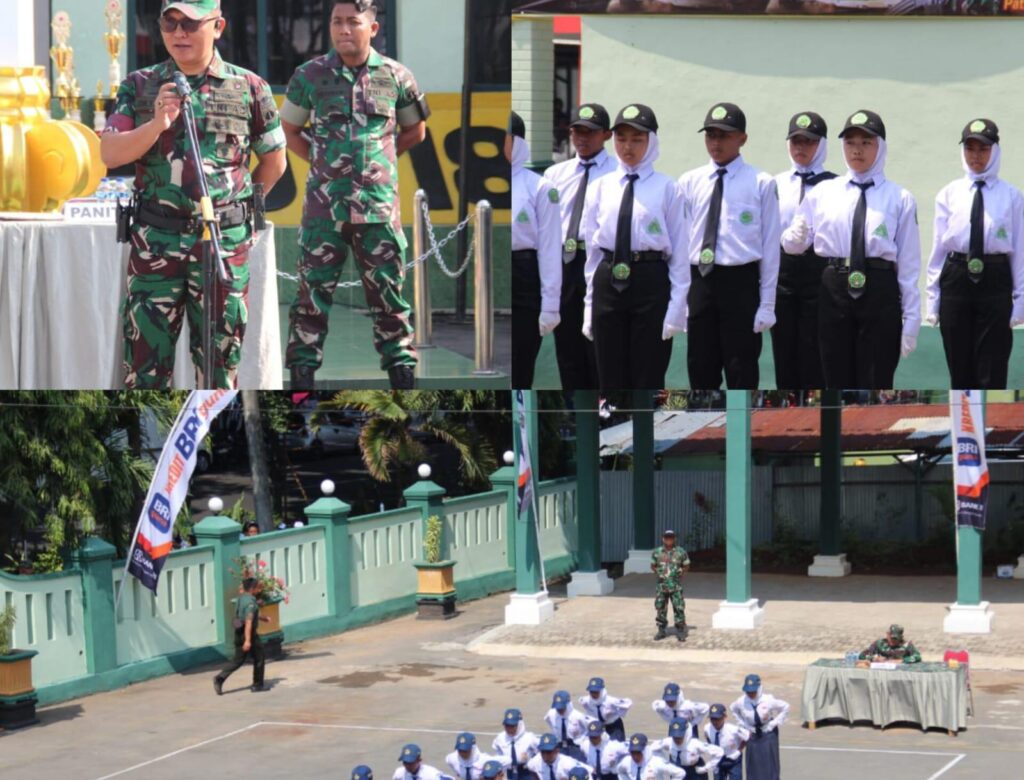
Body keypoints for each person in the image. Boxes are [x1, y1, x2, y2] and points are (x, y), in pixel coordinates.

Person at [100, 0, 286, 389]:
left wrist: (238, 212)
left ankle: (216, 446)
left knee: (220, 372)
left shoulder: (249, 87)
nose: (179, 33)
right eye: (170, 23)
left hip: (221, 245)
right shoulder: (139, 84)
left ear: (218, 26)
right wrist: (156, 123)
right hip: (156, 244)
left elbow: (274, 162)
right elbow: (110, 152)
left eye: (190, 23)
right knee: (144, 372)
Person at [281, 0, 429, 390]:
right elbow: (290, 131)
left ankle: (401, 372)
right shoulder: (309, 75)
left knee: (389, 297)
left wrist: (382, 161)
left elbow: (416, 130)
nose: (344, 29)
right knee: (311, 297)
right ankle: (301, 377)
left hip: (379, 210)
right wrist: (320, 162)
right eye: (337, 22)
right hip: (323, 211)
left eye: (352, 22)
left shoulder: (397, 76)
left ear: (373, 28)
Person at [782, 109, 920, 388]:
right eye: (850, 143)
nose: (857, 151)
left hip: (880, 287)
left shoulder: (899, 198)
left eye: (866, 143)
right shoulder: (823, 192)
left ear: (880, 147)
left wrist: (912, 318)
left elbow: (909, 263)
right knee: (834, 374)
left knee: (876, 375)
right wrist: (793, 235)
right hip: (833, 285)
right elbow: (794, 245)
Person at [581, 103, 690, 391]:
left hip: (650, 279)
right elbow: (592, 253)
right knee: (609, 372)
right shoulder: (600, 187)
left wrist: (677, 308)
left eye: (637, 139)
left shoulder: (668, 188)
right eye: (621, 139)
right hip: (608, 279)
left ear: (651, 141)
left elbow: (680, 252)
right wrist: (588, 305)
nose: (627, 147)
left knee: (648, 373)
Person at [678, 102, 780, 390]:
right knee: (700, 364)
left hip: (740, 281)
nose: (716, 142)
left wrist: (767, 304)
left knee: (741, 367)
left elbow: (771, 247)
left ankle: (743, 428)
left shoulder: (761, 182)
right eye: (711, 135)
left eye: (724, 135)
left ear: (742, 139)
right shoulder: (689, 181)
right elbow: (681, 240)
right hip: (700, 279)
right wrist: (680, 297)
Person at [925, 118, 1024, 388]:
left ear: (995, 151)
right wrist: (932, 299)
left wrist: (1020, 300)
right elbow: (938, 250)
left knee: (992, 366)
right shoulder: (949, 194)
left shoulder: (1012, 196)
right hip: (956, 277)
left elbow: (1020, 252)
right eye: (970, 149)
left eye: (983, 149)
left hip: (995, 278)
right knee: (960, 367)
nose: (976, 156)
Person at [544, 103, 617, 392]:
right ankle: (574, 398)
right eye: (576, 131)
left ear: (606, 134)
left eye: (590, 132)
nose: (582, 138)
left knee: (598, 337)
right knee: (567, 340)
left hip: (598, 258)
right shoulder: (555, 174)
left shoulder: (616, 173)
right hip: (564, 259)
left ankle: (602, 397)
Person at [771, 111, 837, 389]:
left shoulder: (836, 185)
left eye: (809, 142)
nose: (801, 147)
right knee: (783, 347)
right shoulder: (774, 184)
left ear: (821, 144)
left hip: (819, 271)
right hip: (782, 272)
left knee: (815, 348)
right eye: (796, 141)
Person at [510, 110, 562, 388]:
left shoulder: (540, 187)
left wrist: (550, 305)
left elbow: (551, 248)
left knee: (520, 363)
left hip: (525, 274)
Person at [213, 576, 270, 694]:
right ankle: (257, 685)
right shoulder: (251, 603)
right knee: (259, 657)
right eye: (258, 588)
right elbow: (248, 621)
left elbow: (247, 616)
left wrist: (262, 618)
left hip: (238, 632)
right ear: (252, 589)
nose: (259, 590)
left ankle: (220, 678)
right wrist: (248, 640)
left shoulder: (241, 599)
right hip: (248, 634)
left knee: (238, 660)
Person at [728, 674, 788, 780]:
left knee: (770, 764)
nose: (750, 694)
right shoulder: (741, 701)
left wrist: (773, 724)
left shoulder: (768, 699)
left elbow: (785, 707)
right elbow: (733, 709)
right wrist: (743, 724)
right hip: (752, 733)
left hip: (768, 733)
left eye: (753, 691)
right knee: (753, 765)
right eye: (748, 691)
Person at [650, 530, 690, 641]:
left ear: (674, 538)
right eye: (667, 537)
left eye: (671, 537)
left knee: (679, 607)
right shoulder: (657, 552)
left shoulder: (680, 551)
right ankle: (661, 630)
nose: (669, 539)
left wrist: (681, 573)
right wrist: (659, 573)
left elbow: (686, 565)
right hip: (662, 586)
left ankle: (680, 631)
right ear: (663, 538)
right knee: (661, 607)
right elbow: (652, 565)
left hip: (675, 586)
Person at [652, 718, 723, 779]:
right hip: (677, 770)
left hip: (695, 771)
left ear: (686, 733)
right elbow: (653, 748)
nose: (677, 740)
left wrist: (706, 768)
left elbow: (719, 752)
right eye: (675, 737)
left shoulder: (695, 744)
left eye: (680, 736)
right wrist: (663, 761)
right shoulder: (668, 742)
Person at [492, 708, 541, 780]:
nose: (509, 729)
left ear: (519, 724)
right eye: (507, 726)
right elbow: (498, 751)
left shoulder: (529, 738)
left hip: (526, 772)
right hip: (511, 772)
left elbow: (541, 753)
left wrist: (530, 759)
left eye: (512, 726)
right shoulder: (500, 738)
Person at [578, 677, 632, 742]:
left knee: (616, 746)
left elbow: (628, 703)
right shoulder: (586, 701)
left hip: (613, 725)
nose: (594, 694)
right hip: (597, 726)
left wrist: (617, 712)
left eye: (596, 692)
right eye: (591, 692)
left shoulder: (611, 701)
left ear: (601, 690)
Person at [702, 704, 747, 780]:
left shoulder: (733, 729)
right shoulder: (707, 728)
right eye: (712, 719)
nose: (715, 722)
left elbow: (747, 737)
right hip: (718, 760)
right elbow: (707, 737)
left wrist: (739, 751)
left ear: (724, 717)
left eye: (717, 719)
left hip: (733, 759)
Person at [545, 690, 589, 760]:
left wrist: (583, 742)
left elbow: (588, 729)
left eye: (562, 707)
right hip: (559, 746)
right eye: (557, 708)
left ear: (568, 704)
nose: (559, 710)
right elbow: (550, 724)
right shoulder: (551, 714)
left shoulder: (578, 716)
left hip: (576, 747)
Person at [615, 734, 682, 780]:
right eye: (633, 753)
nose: (635, 756)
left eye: (638, 753)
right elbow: (620, 771)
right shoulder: (627, 761)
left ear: (645, 749)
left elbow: (680, 773)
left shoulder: (656, 762)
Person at [526, 734, 591, 780]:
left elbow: (589, 772)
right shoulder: (535, 762)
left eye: (549, 752)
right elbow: (531, 770)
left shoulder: (568, 763)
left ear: (557, 750)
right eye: (543, 752)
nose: (545, 755)